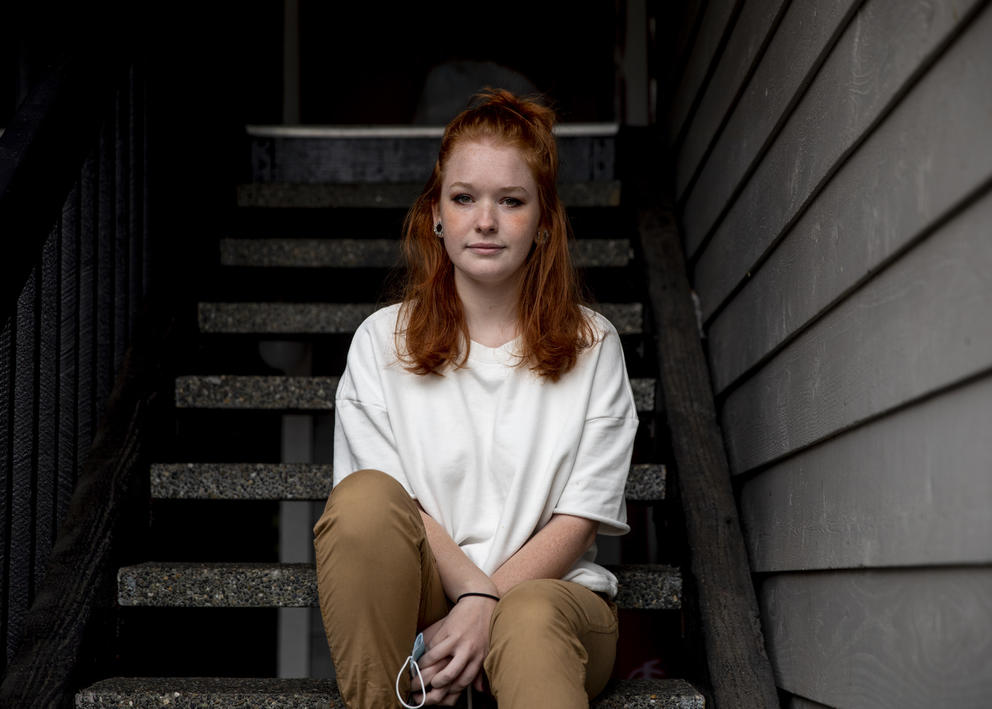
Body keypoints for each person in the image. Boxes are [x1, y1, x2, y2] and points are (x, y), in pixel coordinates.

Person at [314, 89, 638, 708]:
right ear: (437, 213)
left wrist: (492, 602)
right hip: (423, 602)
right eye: (464, 198)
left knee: (532, 618)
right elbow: (392, 509)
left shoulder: (594, 344)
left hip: (554, 599)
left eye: (511, 201)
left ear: (544, 221)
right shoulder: (381, 341)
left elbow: (579, 517)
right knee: (362, 501)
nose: (485, 221)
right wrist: (472, 596)